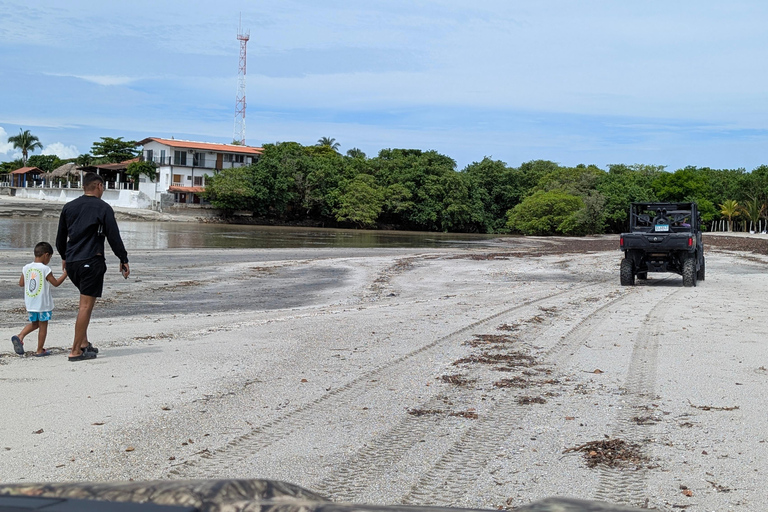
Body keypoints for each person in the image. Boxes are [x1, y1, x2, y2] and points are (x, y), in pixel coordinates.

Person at [56, 172, 130, 362]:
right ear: (98, 186)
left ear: (83, 187)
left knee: (84, 303)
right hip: (91, 260)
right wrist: (123, 258)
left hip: (72, 263)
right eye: (103, 187)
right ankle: (75, 350)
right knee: (86, 306)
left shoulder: (69, 207)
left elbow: (59, 239)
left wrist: (65, 257)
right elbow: (113, 236)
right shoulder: (103, 208)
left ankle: (83, 343)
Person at [11, 242, 68, 357]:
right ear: (46, 255)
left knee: (34, 324)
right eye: (50, 258)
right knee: (43, 326)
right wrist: (66, 274)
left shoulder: (26, 267)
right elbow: (56, 283)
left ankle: (20, 336)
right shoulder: (45, 269)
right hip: (43, 304)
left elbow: (21, 283)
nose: (49, 260)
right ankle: (39, 349)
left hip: (31, 303)